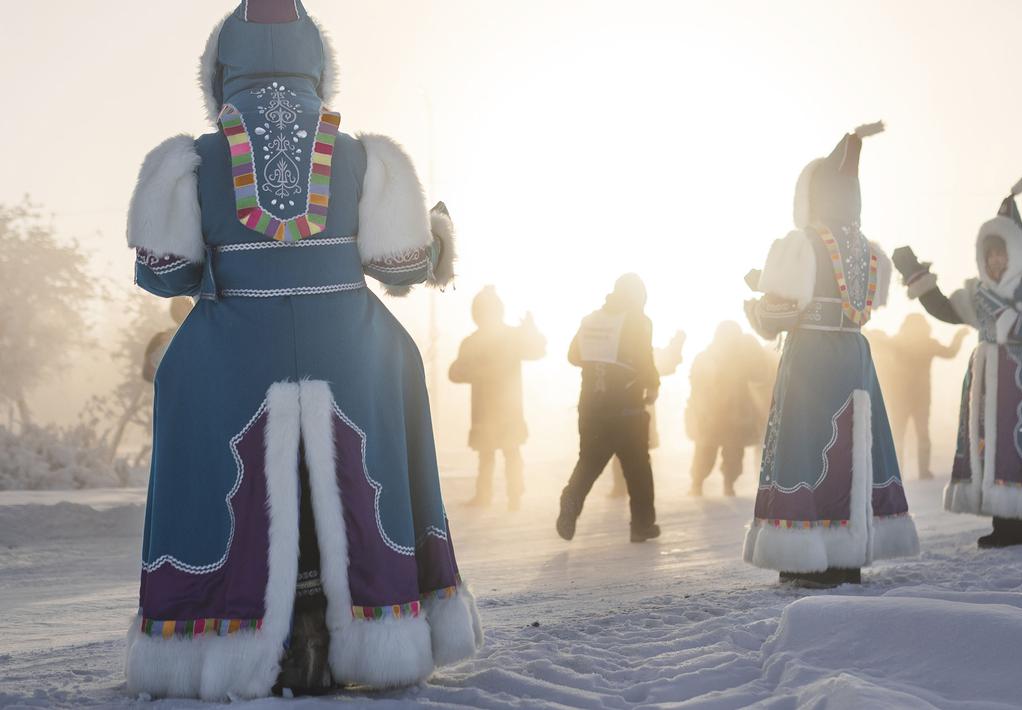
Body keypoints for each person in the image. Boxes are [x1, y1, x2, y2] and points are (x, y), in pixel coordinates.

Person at [123, 1, 480, 699]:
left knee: (237, 494)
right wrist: (437, 235)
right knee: (350, 487)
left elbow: (162, 272)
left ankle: (248, 644)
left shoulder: (188, 160)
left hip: (230, 357)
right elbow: (402, 267)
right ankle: (353, 636)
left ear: (220, 72)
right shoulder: (366, 156)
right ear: (319, 65)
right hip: (349, 352)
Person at [741, 122, 919, 588]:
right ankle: (846, 555)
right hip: (855, 356)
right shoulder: (868, 249)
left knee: (804, 445)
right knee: (853, 448)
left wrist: (756, 309)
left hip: (811, 358)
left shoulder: (801, 241)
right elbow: (861, 304)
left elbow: (781, 309)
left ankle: (803, 555)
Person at [894, 177, 1022, 548]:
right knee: (991, 448)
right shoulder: (978, 292)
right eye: (990, 253)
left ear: (1015, 252)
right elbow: (947, 310)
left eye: (1002, 253)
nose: (996, 260)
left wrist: (1011, 323)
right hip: (987, 379)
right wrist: (915, 274)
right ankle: (1003, 522)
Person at [557, 274, 662, 543]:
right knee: (637, 466)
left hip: (591, 405)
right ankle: (641, 525)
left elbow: (573, 356)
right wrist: (652, 385)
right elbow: (644, 359)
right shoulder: (639, 321)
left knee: (589, 461)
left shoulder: (592, 320)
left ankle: (572, 498)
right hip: (626, 408)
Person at [448, 286, 546, 511]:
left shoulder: (493, 339)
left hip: (498, 408)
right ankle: (502, 496)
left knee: (501, 454)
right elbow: (455, 373)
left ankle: (507, 496)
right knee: (497, 454)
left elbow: (536, 351)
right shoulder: (507, 337)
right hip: (497, 409)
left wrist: (531, 331)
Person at [878, 314, 969, 480]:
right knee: (922, 435)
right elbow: (950, 352)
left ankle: (898, 472)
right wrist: (959, 336)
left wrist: (868, 333)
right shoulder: (927, 343)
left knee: (898, 436)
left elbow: (880, 343)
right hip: (921, 398)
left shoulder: (898, 341)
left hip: (899, 398)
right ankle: (923, 471)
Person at [685, 321, 770, 496]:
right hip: (712, 414)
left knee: (731, 455)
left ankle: (726, 484)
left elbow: (759, 374)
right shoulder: (707, 357)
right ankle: (698, 484)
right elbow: (696, 382)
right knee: (706, 452)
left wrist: (754, 351)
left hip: (733, 416)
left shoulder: (742, 358)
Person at [606, 330, 685, 497]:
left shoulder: (639, 353)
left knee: (632, 450)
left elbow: (665, 363)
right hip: (627, 410)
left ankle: (628, 489)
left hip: (633, 410)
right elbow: (665, 364)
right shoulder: (622, 353)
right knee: (630, 450)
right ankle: (625, 488)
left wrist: (676, 346)